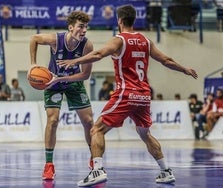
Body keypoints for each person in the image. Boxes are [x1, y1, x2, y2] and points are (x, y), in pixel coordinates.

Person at [57, 4, 198, 186]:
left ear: (120, 21)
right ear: (134, 20)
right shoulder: (145, 41)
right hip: (144, 95)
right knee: (145, 134)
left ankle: (97, 170)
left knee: (96, 130)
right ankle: (166, 170)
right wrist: (184, 69)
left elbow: (99, 54)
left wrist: (74, 60)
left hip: (126, 94)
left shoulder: (119, 40)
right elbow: (166, 60)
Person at [28, 11, 94, 180]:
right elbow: (34, 38)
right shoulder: (55, 40)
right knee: (53, 120)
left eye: (86, 27)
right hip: (52, 83)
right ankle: (49, 164)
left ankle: (94, 157)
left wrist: (63, 78)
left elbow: (85, 75)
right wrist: (33, 63)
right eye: (81, 26)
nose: (84, 30)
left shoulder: (87, 46)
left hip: (73, 82)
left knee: (88, 121)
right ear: (71, 27)